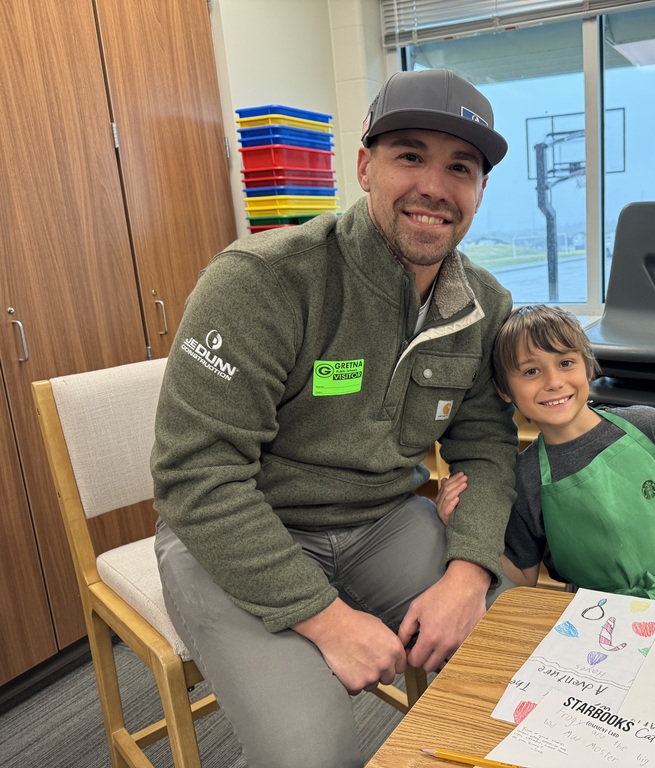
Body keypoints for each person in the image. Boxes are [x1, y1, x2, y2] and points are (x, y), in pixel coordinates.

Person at [151, 69, 519, 768]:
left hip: (383, 521)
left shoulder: (483, 305)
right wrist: (327, 619)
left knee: (512, 673)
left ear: (478, 191)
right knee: (311, 755)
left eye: (460, 168)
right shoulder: (264, 281)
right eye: (410, 155)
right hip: (239, 528)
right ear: (364, 166)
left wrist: (469, 572)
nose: (434, 187)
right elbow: (197, 475)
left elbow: (487, 448)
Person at [437, 305, 655, 616]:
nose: (553, 382)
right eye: (531, 371)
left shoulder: (648, 426)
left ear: (587, 366)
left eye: (565, 362)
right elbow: (522, 579)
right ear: (504, 390)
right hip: (603, 625)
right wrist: (463, 526)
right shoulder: (524, 479)